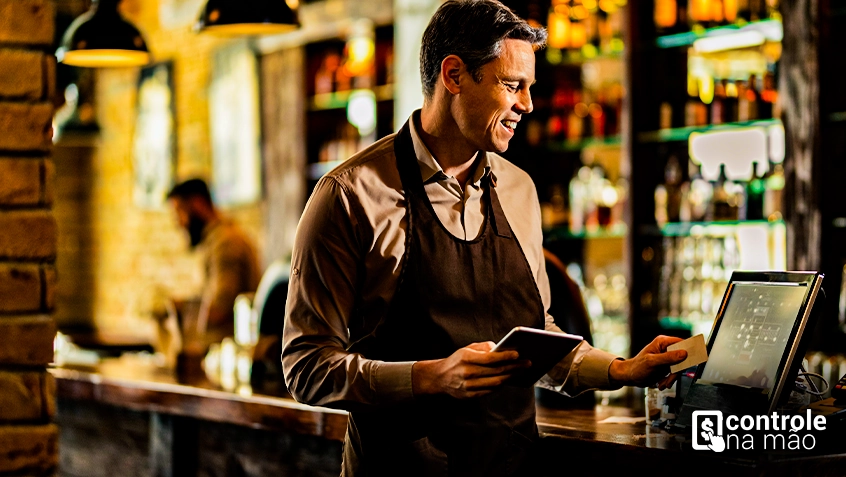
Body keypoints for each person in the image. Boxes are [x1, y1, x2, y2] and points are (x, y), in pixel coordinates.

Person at [282, 2, 687, 475]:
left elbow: (539, 337)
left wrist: (622, 369)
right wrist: (431, 377)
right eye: (512, 85)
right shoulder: (350, 195)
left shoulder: (519, 189)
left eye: (529, 88)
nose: (527, 105)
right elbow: (307, 366)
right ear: (454, 76)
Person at [167, 178, 261, 350]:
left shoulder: (225, 243)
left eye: (179, 212)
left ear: (198, 204)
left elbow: (219, 309)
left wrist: (179, 312)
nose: (178, 223)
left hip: (227, 355)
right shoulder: (217, 240)